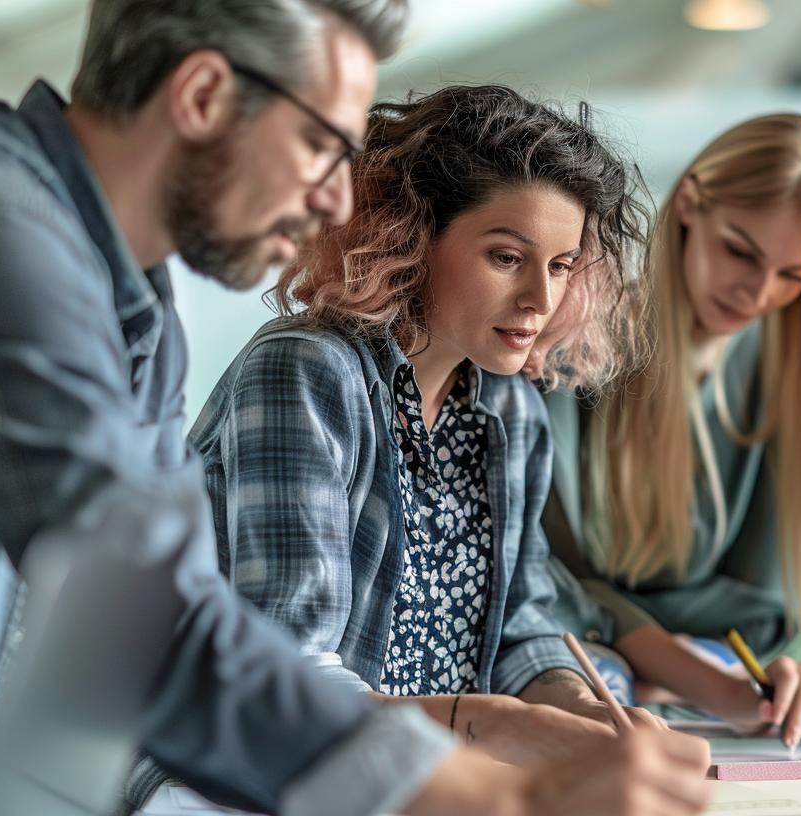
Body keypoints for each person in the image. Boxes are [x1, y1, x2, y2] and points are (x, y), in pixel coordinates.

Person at [0, 1, 708, 814]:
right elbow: (152, 625)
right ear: (201, 97)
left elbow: (171, 607)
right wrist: (504, 795)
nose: (340, 202)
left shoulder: (137, 304)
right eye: (319, 144)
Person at [123, 83, 666, 806]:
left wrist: (573, 703)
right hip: (240, 779)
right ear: (408, 238)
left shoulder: (512, 412)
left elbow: (520, 628)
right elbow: (287, 679)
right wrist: (487, 726)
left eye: (562, 266)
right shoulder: (306, 374)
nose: (542, 298)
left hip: (423, 783)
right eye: (508, 257)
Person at [538, 113, 801, 747]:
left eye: (792, 277)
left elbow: (764, 614)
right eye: (740, 251)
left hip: (709, 717)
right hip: (587, 698)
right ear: (688, 205)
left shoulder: (791, 394)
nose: (755, 292)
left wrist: (666, 654)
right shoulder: (561, 352)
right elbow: (552, 585)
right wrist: (696, 668)